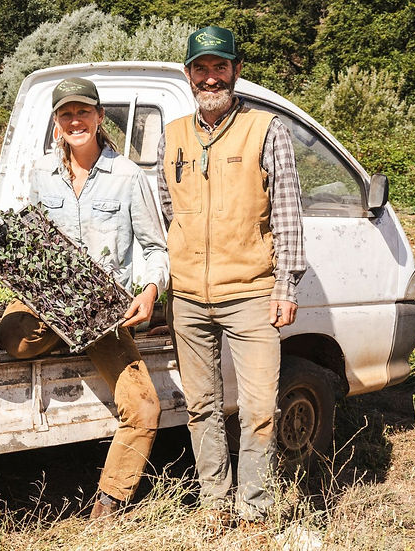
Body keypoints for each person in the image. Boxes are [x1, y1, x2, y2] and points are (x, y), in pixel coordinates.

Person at [0, 77, 169, 518]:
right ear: (57, 123)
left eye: (83, 112)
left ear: (98, 117)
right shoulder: (40, 173)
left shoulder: (128, 176)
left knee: (144, 406)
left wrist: (149, 291)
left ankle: (110, 501)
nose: (75, 121)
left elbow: (155, 247)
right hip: (51, 306)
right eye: (65, 114)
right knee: (14, 338)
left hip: (101, 314)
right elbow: (31, 242)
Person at [157, 26, 307, 524]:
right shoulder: (173, 133)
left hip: (251, 293)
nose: (210, 76)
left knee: (260, 408)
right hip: (189, 299)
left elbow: (287, 215)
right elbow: (166, 207)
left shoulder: (266, 129)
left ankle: (255, 510)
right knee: (201, 407)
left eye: (220, 66)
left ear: (236, 71)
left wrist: (286, 285)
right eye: (201, 67)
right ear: (188, 74)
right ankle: (215, 503)